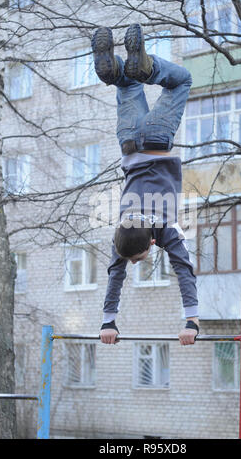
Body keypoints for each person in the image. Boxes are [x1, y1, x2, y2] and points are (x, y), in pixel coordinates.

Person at [91, 23, 199, 346]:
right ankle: (117, 70)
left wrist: (192, 321)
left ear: (151, 242)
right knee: (126, 85)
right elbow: (115, 271)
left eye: (137, 258)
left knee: (182, 81)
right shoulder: (122, 226)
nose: (135, 261)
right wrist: (107, 320)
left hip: (157, 137)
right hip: (128, 141)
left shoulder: (165, 226)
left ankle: (149, 67)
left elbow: (184, 268)